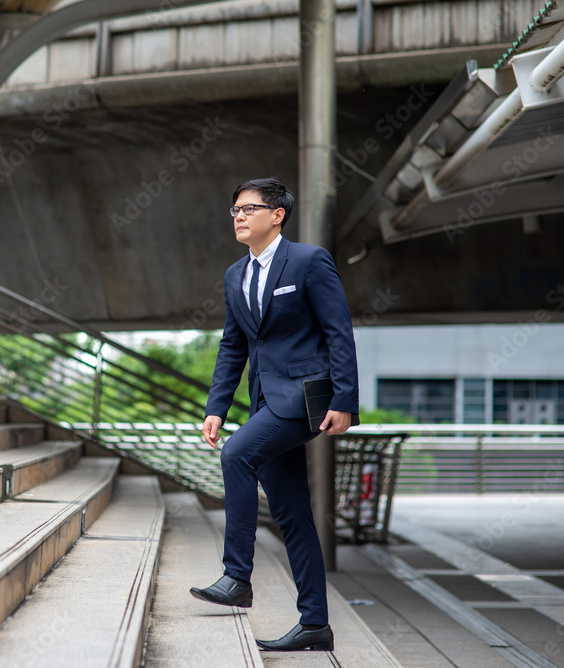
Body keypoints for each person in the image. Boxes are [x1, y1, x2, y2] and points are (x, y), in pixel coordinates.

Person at [189, 177, 358, 652]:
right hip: (264, 400)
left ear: (277, 214)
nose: (239, 216)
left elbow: (338, 332)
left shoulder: (308, 261)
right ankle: (315, 625)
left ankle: (236, 576)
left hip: (304, 399)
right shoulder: (234, 275)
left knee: (237, 455)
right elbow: (234, 345)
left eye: (248, 209)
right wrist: (216, 407)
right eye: (235, 211)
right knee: (294, 515)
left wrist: (345, 399)